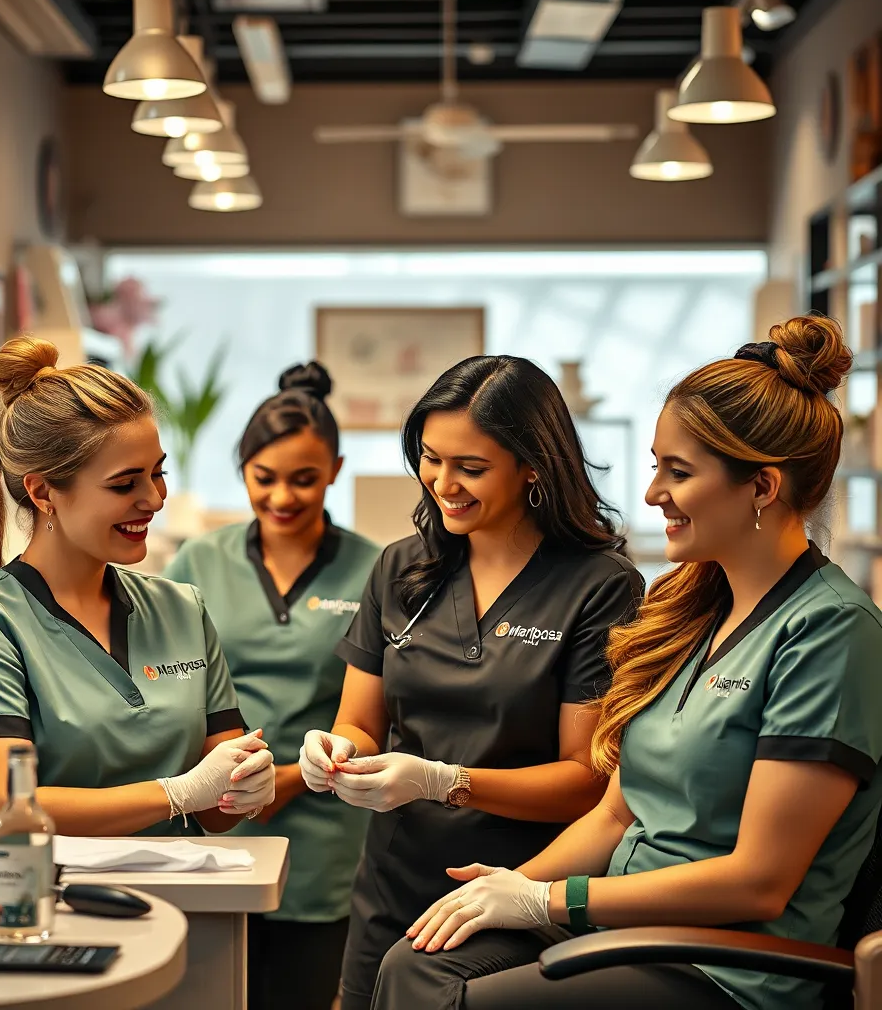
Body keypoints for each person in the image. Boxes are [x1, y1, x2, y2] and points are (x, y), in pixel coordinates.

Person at [371, 315, 882, 1010]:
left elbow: (759, 882)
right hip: (626, 928)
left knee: (466, 1000)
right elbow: (616, 816)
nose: (652, 494)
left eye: (679, 472)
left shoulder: (829, 632)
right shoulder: (687, 610)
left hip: (724, 969)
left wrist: (551, 900)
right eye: (656, 466)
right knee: (417, 964)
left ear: (762, 488)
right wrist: (507, 888)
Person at [297, 354, 646, 1010]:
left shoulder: (598, 587)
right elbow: (361, 723)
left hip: (516, 890)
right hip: (394, 881)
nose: (443, 483)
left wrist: (443, 781)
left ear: (533, 464)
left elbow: (586, 781)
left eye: (471, 467)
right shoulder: (401, 568)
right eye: (430, 459)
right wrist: (336, 752)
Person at [0, 337, 275, 835]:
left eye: (158, 473)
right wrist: (174, 793)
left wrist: (247, 785)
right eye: (124, 483)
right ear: (43, 492)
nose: (154, 499)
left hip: (191, 883)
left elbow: (216, 811)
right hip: (49, 884)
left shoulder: (181, 608)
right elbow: (2, 806)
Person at [164, 363, 380, 1010]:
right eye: (264, 478)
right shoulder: (198, 562)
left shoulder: (374, 570)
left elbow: (380, 715)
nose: (282, 496)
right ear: (242, 470)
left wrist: (288, 781)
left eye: (304, 479)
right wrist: (229, 785)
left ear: (336, 470)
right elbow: (172, 692)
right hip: (212, 823)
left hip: (321, 840)